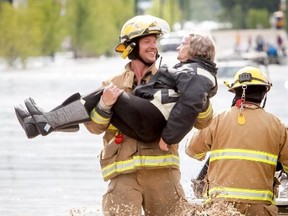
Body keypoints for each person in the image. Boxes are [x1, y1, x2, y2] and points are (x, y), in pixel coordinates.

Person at [15, 26, 217, 152]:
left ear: (195, 49)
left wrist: (169, 137)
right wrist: (105, 105)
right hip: (128, 161)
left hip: (157, 147)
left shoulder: (196, 73)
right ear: (132, 47)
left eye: (182, 44)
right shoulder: (187, 71)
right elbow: (94, 127)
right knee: (105, 94)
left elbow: (194, 109)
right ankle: (42, 124)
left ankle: (47, 122)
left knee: (108, 93)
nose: (156, 47)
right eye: (147, 42)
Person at [185, 66, 288, 216]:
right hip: (259, 210)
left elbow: (191, 151)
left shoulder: (218, 119)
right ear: (264, 93)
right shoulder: (278, 126)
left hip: (221, 208)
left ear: (236, 92)